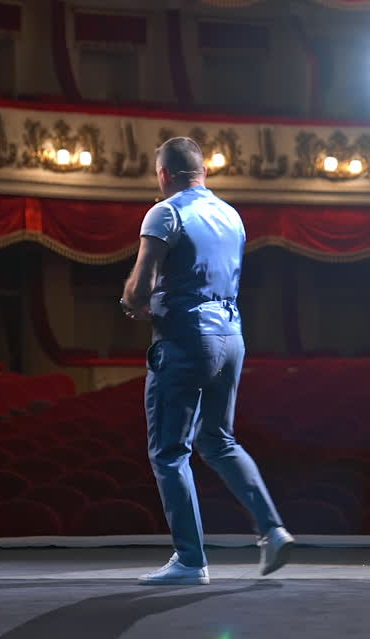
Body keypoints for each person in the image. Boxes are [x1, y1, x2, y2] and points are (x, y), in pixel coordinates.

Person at [121, 136, 294, 585]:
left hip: (184, 338)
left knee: (169, 451)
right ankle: (272, 529)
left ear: (163, 175)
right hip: (232, 335)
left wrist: (132, 303)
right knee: (219, 440)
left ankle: (191, 561)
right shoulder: (230, 216)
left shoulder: (166, 212)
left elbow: (140, 287)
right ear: (203, 172)